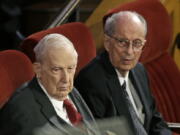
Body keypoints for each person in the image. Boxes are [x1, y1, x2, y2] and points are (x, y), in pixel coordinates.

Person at [75, 11, 172, 135]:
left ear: (143, 45)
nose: (130, 51)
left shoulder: (139, 70)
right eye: (122, 42)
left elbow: (154, 119)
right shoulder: (91, 81)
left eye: (137, 43)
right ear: (107, 43)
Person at [0, 33, 100, 135]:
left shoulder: (67, 89)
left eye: (70, 68)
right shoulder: (23, 113)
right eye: (56, 70)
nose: (66, 79)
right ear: (38, 69)